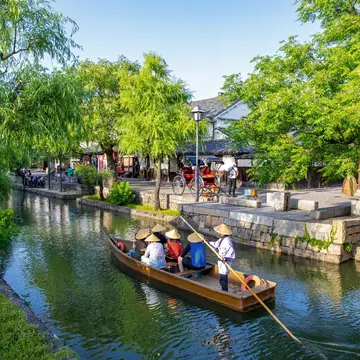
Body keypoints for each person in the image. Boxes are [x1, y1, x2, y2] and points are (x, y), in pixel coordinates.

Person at [210, 224, 235, 292]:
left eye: (220, 232)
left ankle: (225, 292)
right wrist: (207, 242)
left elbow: (231, 251)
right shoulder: (221, 239)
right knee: (222, 278)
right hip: (221, 261)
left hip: (225, 262)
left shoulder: (227, 241)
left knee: (223, 278)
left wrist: (226, 258)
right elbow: (215, 245)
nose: (219, 233)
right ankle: (224, 290)